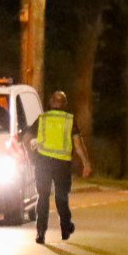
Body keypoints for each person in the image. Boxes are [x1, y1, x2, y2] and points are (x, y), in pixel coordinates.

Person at [26, 90, 93, 243]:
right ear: (65, 104)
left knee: (42, 197)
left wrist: (30, 153)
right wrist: (86, 163)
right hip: (62, 164)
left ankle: (40, 233)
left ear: (51, 103)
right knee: (61, 196)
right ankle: (65, 228)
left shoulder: (42, 118)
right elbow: (78, 145)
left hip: (43, 162)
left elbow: (27, 137)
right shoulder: (69, 120)